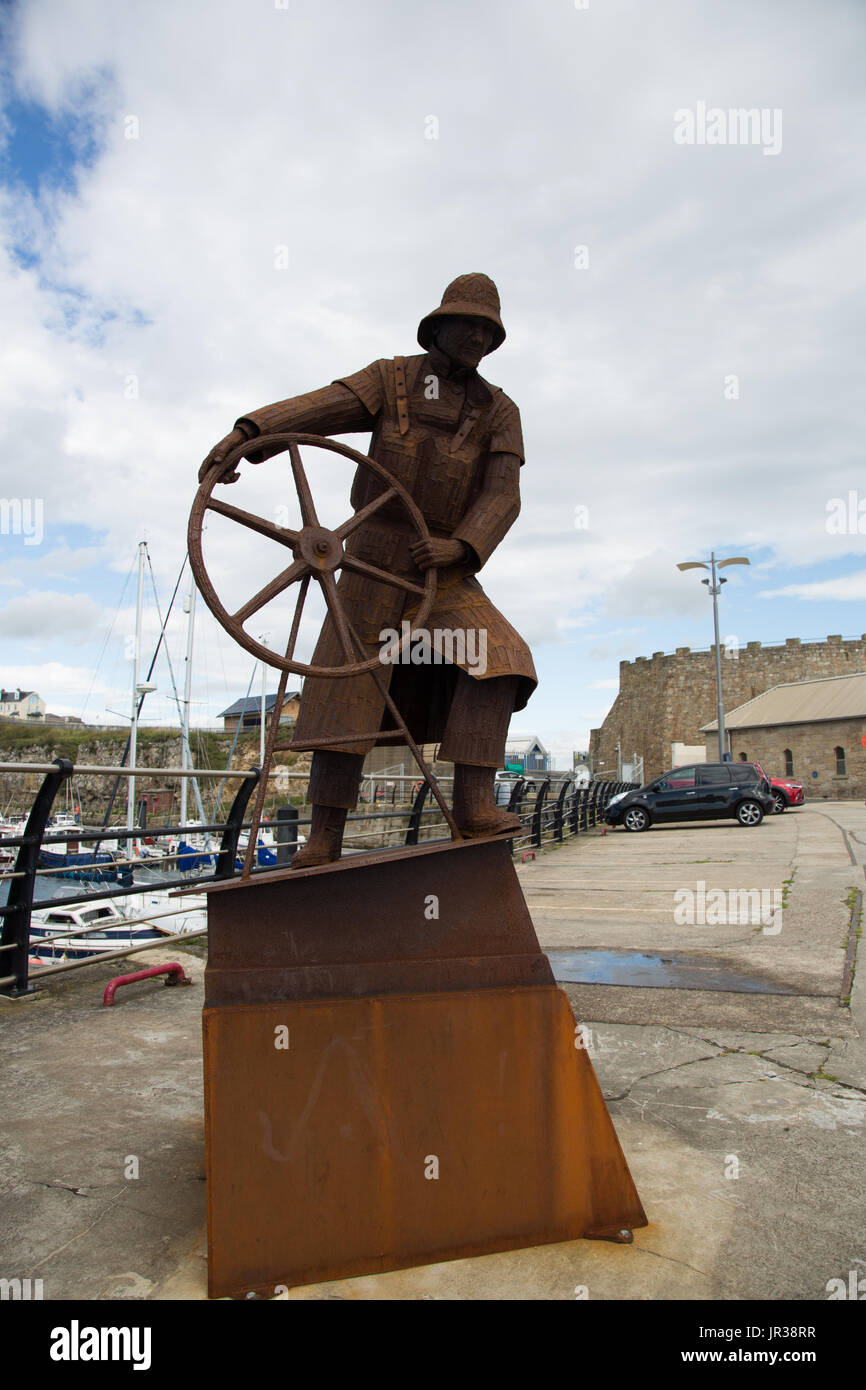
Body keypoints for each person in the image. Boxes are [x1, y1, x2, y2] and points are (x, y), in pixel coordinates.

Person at [200, 273, 537, 867]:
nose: (476, 338)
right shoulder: (391, 379)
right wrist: (249, 433)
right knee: (345, 692)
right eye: (466, 325)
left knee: (501, 660)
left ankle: (473, 804)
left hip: (442, 570)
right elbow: (317, 409)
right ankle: (323, 838)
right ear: (438, 327)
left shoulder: (499, 411)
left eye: (487, 330)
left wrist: (461, 548)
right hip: (368, 560)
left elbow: (502, 496)